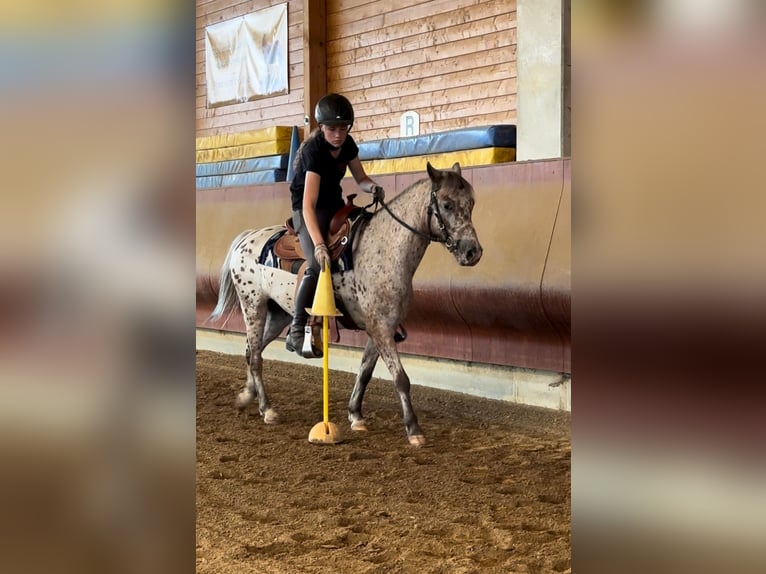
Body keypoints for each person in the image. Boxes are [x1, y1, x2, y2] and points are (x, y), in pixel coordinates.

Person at [286, 93, 385, 358]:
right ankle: (296, 328)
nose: (338, 134)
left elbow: (361, 178)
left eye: (343, 128)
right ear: (321, 127)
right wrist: (318, 244)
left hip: (334, 204)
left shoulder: (348, 145)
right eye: (332, 129)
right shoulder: (314, 152)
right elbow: (309, 204)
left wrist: (373, 187)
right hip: (307, 209)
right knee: (319, 264)